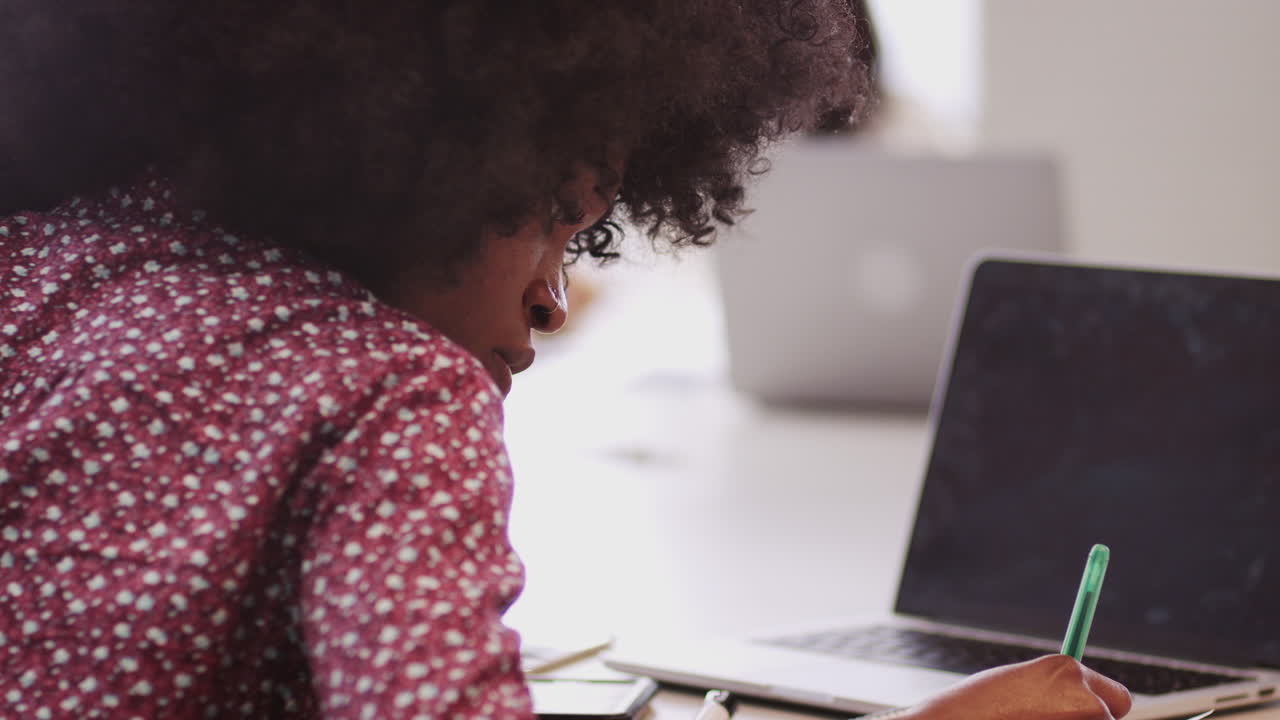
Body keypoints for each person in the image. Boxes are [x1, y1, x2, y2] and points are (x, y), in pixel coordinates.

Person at [0, 2, 1130, 719]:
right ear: (426, 161)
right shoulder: (394, 387)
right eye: (549, 215)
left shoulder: (35, 264)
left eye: (582, 239)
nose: (552, 295)